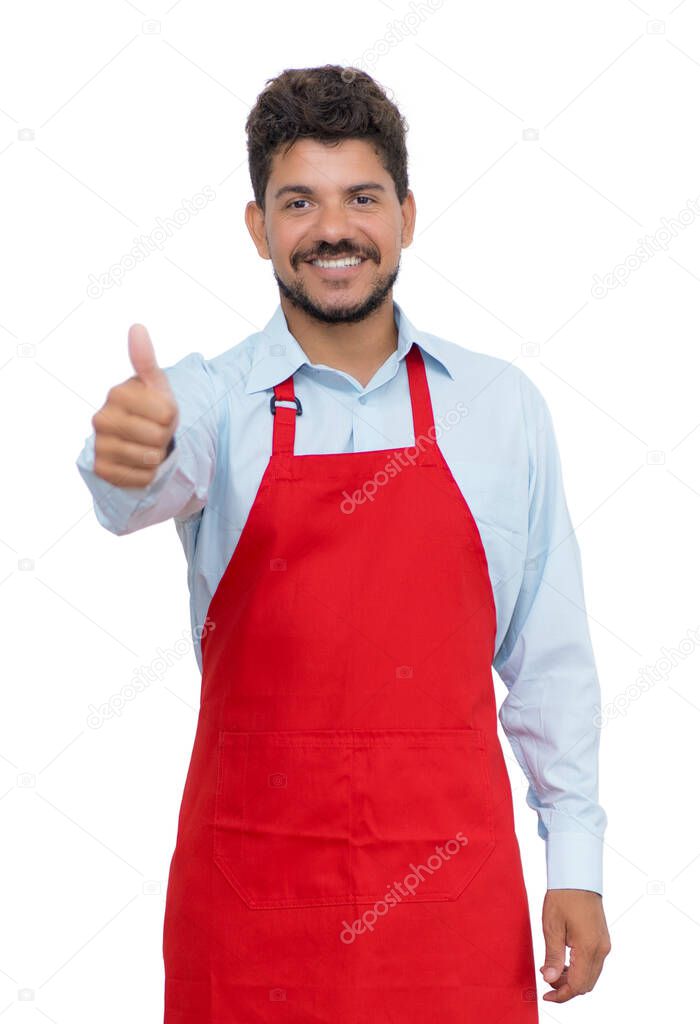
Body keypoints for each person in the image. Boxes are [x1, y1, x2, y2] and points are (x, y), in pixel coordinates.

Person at [76, 64, 611, 1023]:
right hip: (248, 906)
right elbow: (136, 489)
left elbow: (549, 656)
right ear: (258, 228)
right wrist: (125, 450)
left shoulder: (498, 406)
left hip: (453, 902)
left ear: (405, 214)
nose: (333, 229)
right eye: (298, 202)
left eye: (361, 197)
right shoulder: (203, 401)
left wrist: (575, 860)